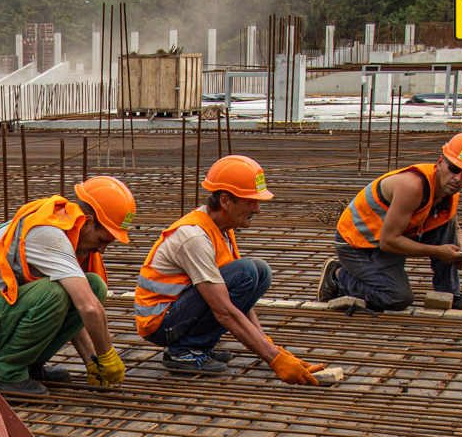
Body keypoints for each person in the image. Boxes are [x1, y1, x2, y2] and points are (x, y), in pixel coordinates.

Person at [134, 154, 322, 382]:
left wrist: (270, 346)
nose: (258, 209)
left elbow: (240, 300)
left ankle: (199, 345)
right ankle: (185, 351)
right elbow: (223, 309)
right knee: (246, 271)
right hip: (160, 323)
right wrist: (273, 359)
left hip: (179, 311)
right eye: (250, 201)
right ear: (225, 201)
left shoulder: (222, 229)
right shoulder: (194, 236)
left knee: (258, 272)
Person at [0, 176, 136, 398]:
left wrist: (92, 360)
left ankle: (28, 365)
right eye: (103, 240)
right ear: (88, 221)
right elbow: (88, 307)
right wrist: (107, 356)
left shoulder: (64, 227)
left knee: (94, 286)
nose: (102, 249)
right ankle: (7, 372)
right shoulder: (49, 235)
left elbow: (80, 306)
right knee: (55, 293)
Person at [319, 132, 462, 314]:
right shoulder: (413, 186)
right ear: (440, 162)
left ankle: (449, 294)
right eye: (454, 168)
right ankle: (337, 276)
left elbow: (453, 224)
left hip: (389, 237)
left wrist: (459, 250)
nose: (458, 178)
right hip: (357, 244)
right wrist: (439, 252)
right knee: (397, 297)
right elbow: (388, 241)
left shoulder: (449, 192)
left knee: (447, 224)